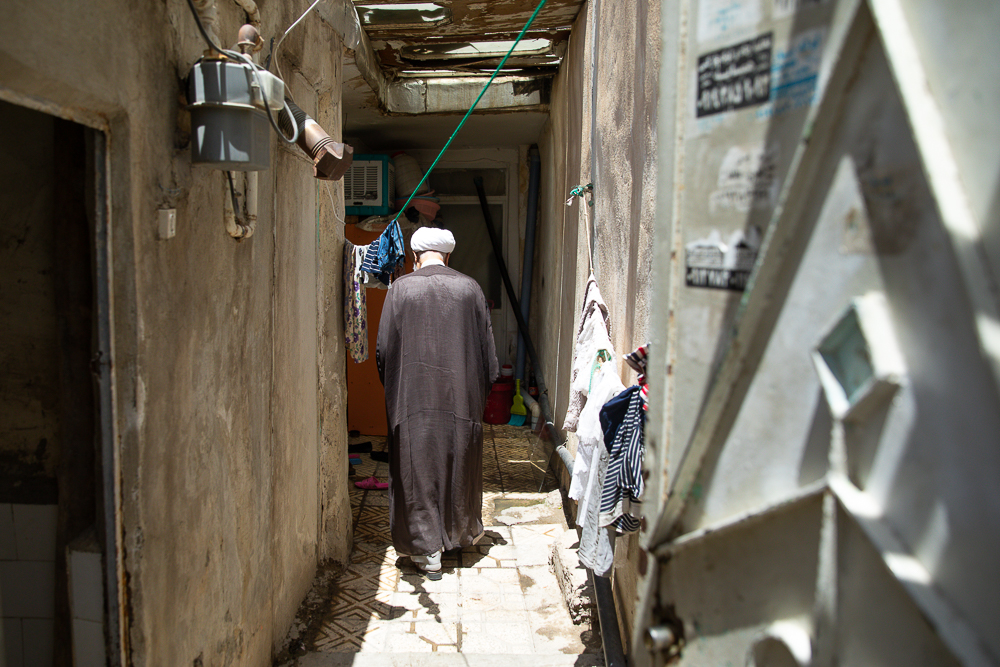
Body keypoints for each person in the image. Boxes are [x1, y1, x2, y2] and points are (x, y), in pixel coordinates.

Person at [376, 226, 499, 579]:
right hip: (461, 399)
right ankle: (459, 534)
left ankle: (426, 550)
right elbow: (488, 357)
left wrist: (397, 390)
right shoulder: (470, 289)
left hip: (412, 400)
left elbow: (384, 351)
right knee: (457, 462)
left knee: (416, 468)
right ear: (448, 256)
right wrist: (477, 394)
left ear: (415, 257)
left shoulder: (401, 289)